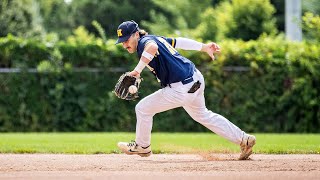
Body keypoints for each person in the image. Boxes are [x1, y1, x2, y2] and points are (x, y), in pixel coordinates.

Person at [115, 20, 256, 160]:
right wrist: (204, 47)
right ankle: (244, 139)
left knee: (142, 108)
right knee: (203, 115)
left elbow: (151, 48)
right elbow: (179, 42)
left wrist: (137, 71)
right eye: (122, 41)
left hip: (181, 88)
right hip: (195, 79)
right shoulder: (155, 38)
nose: (124, 44)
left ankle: (142, 146)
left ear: (136, 34)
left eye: (126, 39)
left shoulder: (144, 43)